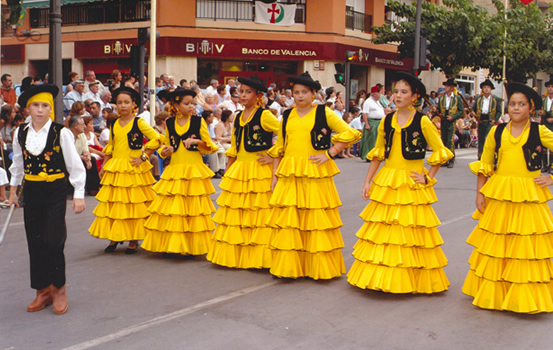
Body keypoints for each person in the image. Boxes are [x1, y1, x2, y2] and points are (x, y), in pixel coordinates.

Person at [347, 72, 453, 294]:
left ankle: (407, 279)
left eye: (404, 92)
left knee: (407, 234)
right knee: (385, 231)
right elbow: (378, 154)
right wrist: (368, 182)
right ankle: (381, 277)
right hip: (388, 179)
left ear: (414, 96)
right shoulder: (387, 120)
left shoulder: (422, 121)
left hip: (410, 181)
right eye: (395, 91)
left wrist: (428, 177)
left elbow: (441, 151)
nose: (398, 95)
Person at [463, 82, 553, 313]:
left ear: (531, 108)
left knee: (524, 245)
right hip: (500, 193)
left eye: (521, 104)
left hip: (528, 194)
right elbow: (485, 163)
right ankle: (495, 292)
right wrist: (480, 193)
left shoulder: (539, 131)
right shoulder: (497, 131)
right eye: (512, 103)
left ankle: (522, 294)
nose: (515, 108)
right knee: (498, 242)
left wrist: (551, 178)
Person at [266, 72, 361, 279]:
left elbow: (352, 133)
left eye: (304, 92)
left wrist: (330, 153)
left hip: (314, 170)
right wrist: (275, 176)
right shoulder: (287, 115)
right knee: (291, 220)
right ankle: (291, 267)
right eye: (296, 92)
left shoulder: (324, 113)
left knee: (315, 220)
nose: (300, 96)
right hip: (290, 172)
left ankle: (317, 267)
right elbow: (280, 147)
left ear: (314, 93)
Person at [8, 84, 86, 314]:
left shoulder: (60, 132)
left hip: (54, 190)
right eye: (35, 106)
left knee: (54, 241)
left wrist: (78, 195)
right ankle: (42, 290)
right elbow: (18, 165)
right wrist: (13, 192)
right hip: (32, 191)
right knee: (36, 241)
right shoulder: (20, 132)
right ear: (27, 109)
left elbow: (75, 166)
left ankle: (58, 289)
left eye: (45, 106)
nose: (40, 110)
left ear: (51, 109)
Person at [207, 75, 280, 269]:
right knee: (238, 213)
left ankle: (260, 257)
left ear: (258, 95)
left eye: (249, 92)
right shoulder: (238, 116)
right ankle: (240, 254)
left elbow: (286, 133)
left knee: (258, 213)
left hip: (259, 169)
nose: (243, 95)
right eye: (241, 91)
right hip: (241, 168)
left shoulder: (264, 115)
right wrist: (229, 169)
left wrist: (273, 157)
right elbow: (236, 146)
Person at [142, 88, 218, 257]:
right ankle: (173, 244)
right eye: (186, 103)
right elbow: (166, 147)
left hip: (193, 168)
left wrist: (196, 141)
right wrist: (165, 151)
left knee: (192, 209)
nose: (191, 106)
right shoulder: (169, 123)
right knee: (174, 209)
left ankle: (192, 245)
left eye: (192, 102)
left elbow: (211, 147)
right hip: (175, 168)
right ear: (176, 105)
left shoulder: (198, 122)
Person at [88, 87, 161, 254]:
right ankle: (116, 236)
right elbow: (111, 146)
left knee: (132, 204)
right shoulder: (114, 123)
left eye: (127, 102)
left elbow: (157, 139)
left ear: (133, 104)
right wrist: (105, 165)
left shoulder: (139, 122)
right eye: (120, 102)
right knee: (117, 204)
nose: (123, 106)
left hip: (133, 167)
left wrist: (143, 156)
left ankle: (133, 239)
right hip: (116, 167)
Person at [436, 78, 464, 168]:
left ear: (451, 88)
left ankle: (451, 159)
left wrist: (454, 117)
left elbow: (461, 111)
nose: (446, 87)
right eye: (446, 86)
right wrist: (434, 111)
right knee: (443, 140)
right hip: (443, 120)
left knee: (450, 140)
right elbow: (438, 110)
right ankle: (445, 159)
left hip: (451, 121)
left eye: (448, 86)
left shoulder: (457, 98)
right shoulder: (441, 98)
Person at [473, 79, 502, 159]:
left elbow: (499, 111)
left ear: (491, 89)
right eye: (485, 87)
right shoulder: (478, 98)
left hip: (490, 121)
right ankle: (480, 156)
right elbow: (473, 109)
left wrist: (495, 120)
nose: (486, 89)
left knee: (488, 138)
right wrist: (473, 114)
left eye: (488, 87)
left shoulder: (495, 99)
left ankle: (489, 156)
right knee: (481, 139)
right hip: (481, 121)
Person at [359, 85, 386, 161]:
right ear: (374, 94)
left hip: (379, 122)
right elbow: (364, 113)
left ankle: (378, 154)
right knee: (372, 140)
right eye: (379, 93)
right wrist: (367, 124)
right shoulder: (368, 102)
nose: (380, 94)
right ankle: (369, 155)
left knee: (378, 140)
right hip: (372, 122)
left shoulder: (377, 102)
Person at [539, 79, 553, 172]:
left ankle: (552, 165)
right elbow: (537, 108)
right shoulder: (543, 98)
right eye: (549, 87)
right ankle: (545, 165)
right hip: (544, 122)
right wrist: (539, 112)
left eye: (552, 87)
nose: (551, 89)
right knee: (543, 143)